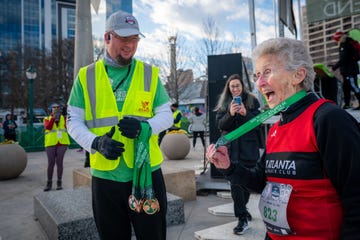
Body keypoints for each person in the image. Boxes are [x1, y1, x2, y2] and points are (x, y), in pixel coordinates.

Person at [206, 38, 360, 240]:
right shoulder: (276, 128)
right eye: (257, 75)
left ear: (298, 75)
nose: (259, 83)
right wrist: (229, 167)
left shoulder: (328, 119)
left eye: (267, 72)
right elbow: (262, 183)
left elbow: (356, 200)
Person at [66, 10, 173, 240]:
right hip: (106, 178)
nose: (130, 45)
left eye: (134, 39)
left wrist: (146, 127)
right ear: (107, 38)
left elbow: (166, 115)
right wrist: (95, 142)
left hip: (146, 174)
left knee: (153, 236)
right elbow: (72, 121)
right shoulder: (86, 76)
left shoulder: (150, 73)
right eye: (124, 38)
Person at [213, 73, 261, 235]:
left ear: (242, 86)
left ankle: (244, 209)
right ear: (229, 88)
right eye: (232, 86)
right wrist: (230, 114)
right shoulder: (224, 103)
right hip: (230, 150)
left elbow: (257, 124)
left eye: (237, 85)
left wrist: (245, 113)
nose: (235, 89)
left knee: (246, 183)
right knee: (235, 185)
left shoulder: (252, 100)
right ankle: (241, 218)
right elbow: (220, 125)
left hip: (249, 149)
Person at [43, 103, 70, 191]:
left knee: (59, 162)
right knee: (51, 163)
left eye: (58, 107)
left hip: (62, 143)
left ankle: (59, 182)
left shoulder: (64, 118)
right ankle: (49, 183)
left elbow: (68, 127)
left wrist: (65, 115)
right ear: (51, 109)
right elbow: (48, 127)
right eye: (54, 107)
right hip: (50, 143)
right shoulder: (46, 118)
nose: (56, 109)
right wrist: (54, 117)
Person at [332, 31, 360, 110]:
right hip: (347, 71)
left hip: (350, 71)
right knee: (346, 88)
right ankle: (347, 104)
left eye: (337, 40)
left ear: (340, 38)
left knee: (354, 86)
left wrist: (334, 67)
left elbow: (344, 59)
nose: (337, 42)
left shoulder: (346, 45)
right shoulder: (347, 44)